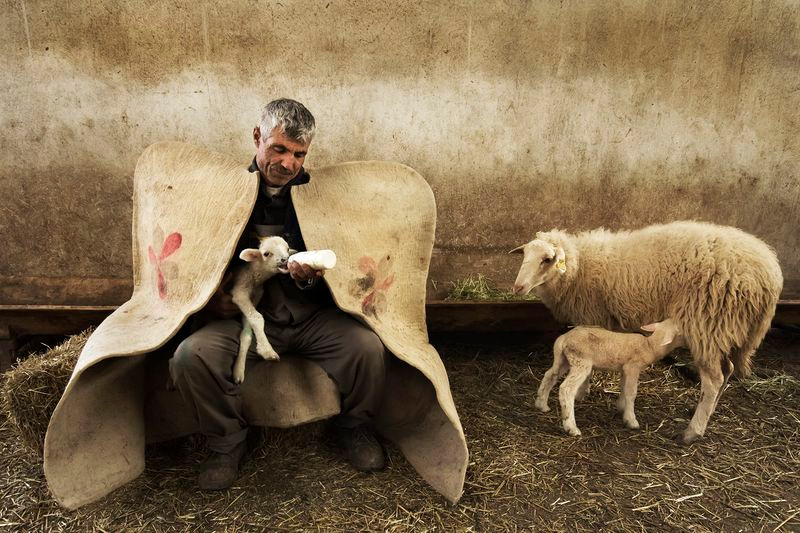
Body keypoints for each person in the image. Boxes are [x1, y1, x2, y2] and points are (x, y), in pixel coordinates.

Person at [169, 98, 387, 490]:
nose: (288, 163)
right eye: (279, 148)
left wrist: (308, 278)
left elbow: (345, 262)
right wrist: (213, 298)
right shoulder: (225, 192)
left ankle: (353, 428)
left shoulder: (321, 196)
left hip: (310, 315)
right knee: (190, 357)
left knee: (367, 349)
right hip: (244, 317)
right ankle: (225, 443)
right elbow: (199, 258)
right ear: (257, 137)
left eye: (299, 154)